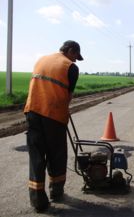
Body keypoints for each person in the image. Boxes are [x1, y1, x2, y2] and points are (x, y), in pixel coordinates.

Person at [24, 40, 83, 212]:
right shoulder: (70, 67)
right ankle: (56, 192)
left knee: (36, 156)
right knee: (56, 154)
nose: (75, 61)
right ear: (70, 51)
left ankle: (38, 201)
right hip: (53, 115)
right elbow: (68, 96)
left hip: (32, 112)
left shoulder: (41, 59)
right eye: (75, 56)